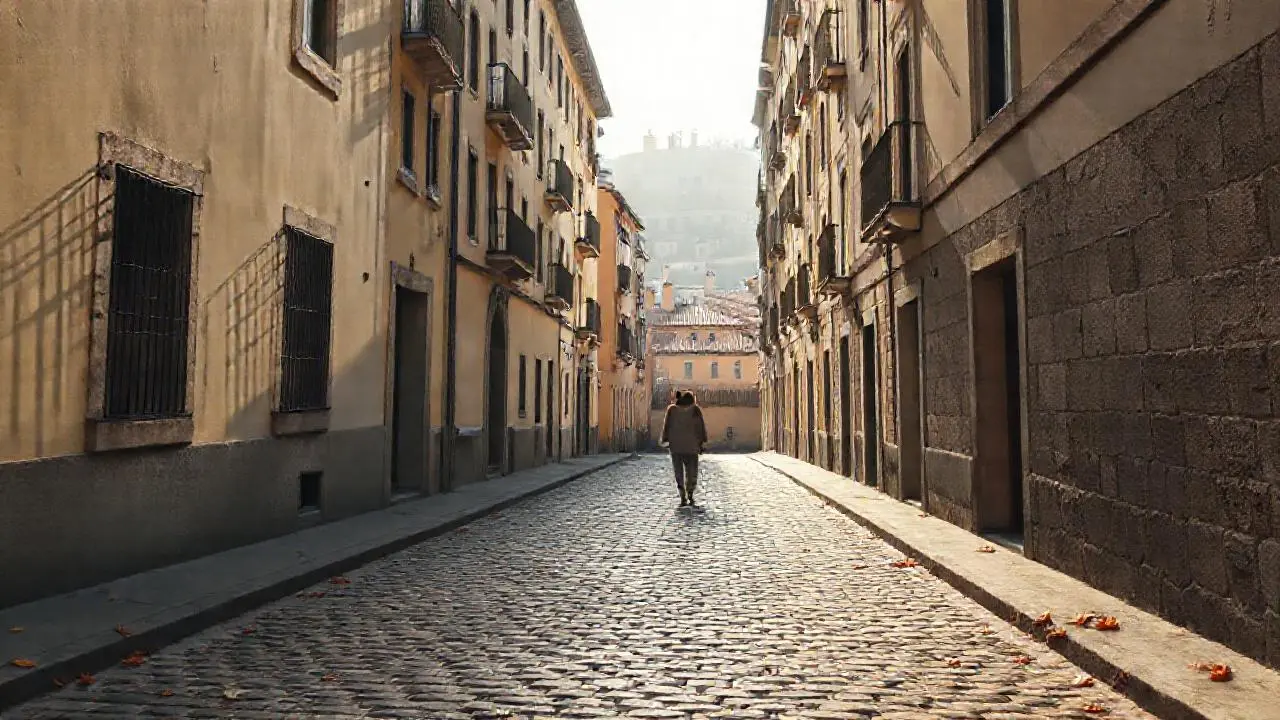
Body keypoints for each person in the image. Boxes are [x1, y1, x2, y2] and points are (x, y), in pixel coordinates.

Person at [660, 390, 708, 507]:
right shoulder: (695, 410)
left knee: (678, 471)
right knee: (692, 471)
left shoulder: (671, 409)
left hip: (676, 446)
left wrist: (665, 439)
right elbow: (701, 426)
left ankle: (682, 493)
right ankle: (690, 492)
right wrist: (702, 441)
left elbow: (667, 425)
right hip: (692, 446)